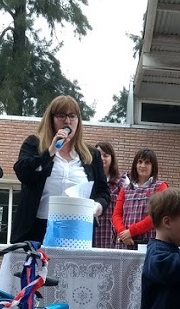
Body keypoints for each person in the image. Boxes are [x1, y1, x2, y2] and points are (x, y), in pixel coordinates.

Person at [10, 95, 110, 243]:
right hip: (38, 227)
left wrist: (96, 206)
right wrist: (50, 151)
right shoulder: (34, 144)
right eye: (61, 116)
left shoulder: (91, 154)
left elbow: (103, 192)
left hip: (77, 229)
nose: (67, 121)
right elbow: (23, 173)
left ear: (78, 120)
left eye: (72, 116)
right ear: (51, 120)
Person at [111, 149, 167, 249]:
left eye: (147, 162)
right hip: (125, 242)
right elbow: (116, 215)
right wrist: (123, 233)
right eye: (140, 162)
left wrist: (131, 231)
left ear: (153, 166)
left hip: (148, 243)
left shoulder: (160, 187)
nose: (142, 166)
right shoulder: (125, 189)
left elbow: (156, 216)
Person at [92, 141, 127, 249]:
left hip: (112, 232)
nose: (102, 158)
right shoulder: (88, 179)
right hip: (93, 230)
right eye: (99, 155)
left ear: (112, 158)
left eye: (105, 155)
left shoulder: (122, 182)